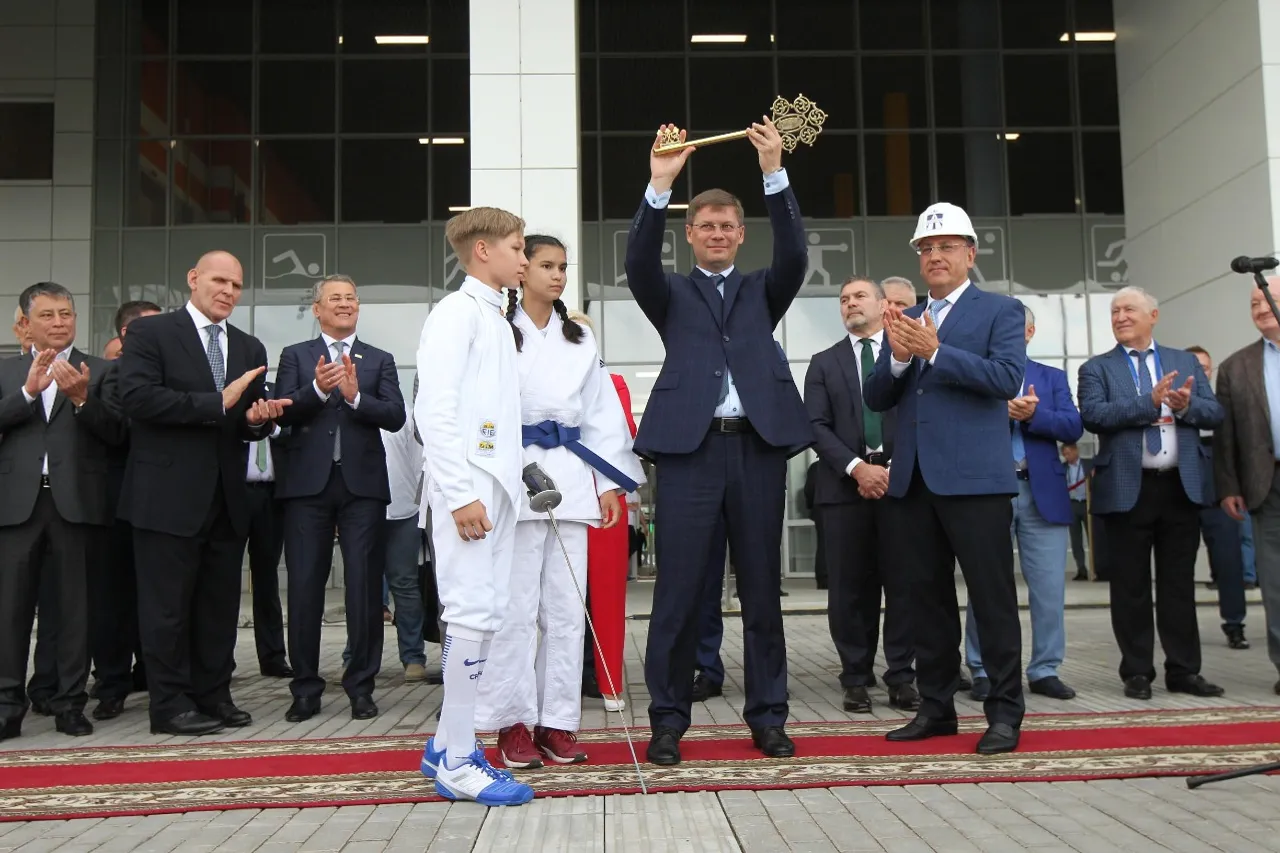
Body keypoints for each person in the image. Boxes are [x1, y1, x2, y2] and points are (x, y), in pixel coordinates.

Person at [625, 119, 812, 766]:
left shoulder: (765, 289)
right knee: (677, 592)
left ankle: (769, 717)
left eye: (727, 226)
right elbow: (637, 262)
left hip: (756, 449)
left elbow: (795, 254)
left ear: (740, 233)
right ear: (691, 233)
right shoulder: (671, 294)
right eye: (705, 225)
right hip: (689, 453)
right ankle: (667, 720)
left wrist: (773, 171)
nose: (717, 233)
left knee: (761, 591)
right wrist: (660, 183)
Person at [864, 201, 1026, 756]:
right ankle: (936, 708)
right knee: (926, 602)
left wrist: (935, 353)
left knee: (992, 600)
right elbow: (876, 397)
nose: (935, 255)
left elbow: (1006, 379)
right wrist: (899, 359)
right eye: (926, 248)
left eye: (946, 247)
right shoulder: (905, 317)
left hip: (976, 482)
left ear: (970, 254)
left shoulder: (1000, 310)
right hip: (914, 482)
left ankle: (1004, 713)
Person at [476, 235, 642, 769]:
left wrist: (607, 484)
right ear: (521, 270)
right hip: (514, 474)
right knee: (517, 610)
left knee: (568, 611)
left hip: (570, 474)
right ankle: (512, 722)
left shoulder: (579, 339)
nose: (557, 275)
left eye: (563, 267)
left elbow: (601, 414)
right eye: (546, 265)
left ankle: (557, 721)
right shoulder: (497, 331)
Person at [117, 250, 286, 736]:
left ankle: (214, 695)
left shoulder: (249, 347)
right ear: (193, 279)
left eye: (236, 284)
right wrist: (217, 401)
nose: (228, 291)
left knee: (218, 608)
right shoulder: (151, 333)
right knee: (167, 610)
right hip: (165, 497)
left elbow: (244, 420)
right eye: (219, 281)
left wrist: (256, 420)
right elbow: (137, 398)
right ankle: (170, 705)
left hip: (227, 498)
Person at [415, 207, 535, 806]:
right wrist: (460, 493)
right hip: (468, 489)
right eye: (517, 247)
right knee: (469, 612)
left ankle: (445, 744)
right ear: (483, 250)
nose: (525, 259)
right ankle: (460, 761)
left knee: (487, 613)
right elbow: (433, 410)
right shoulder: (455, 313)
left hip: (498, 487)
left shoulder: (495, 317)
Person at [1077, 286, 1224, 700]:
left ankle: (1184, 670)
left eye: (1129, 309)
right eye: (1115, 311)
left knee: (1179, 585)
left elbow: (1214, 412)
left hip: (1180, 486)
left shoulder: (1184, 361)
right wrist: (1150, 402)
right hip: (1127, 488)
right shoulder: (1096, 368)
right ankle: (1137, 672)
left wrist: (1184, 406)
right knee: (1130, 586)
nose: (1120, 316)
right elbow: (1094, 415)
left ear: (1153, 316)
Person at [273, 274, 405, 723]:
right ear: (317, 309)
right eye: (335, 298)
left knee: (364, 590)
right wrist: (316, 390)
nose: (345, 304)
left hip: (361, 488)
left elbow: (395, 416)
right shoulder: (296, 355)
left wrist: (354, 397)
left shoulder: (379, 359)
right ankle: (305, 689)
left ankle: (361, 687)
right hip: (306, 487)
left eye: (351, 297)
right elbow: (282, 412)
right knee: (304, 588)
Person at [0, 282, 125, 740]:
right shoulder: (7, 371)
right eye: (47, 315)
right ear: (26, 323)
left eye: (65, 314)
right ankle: (7, 706)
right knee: (10, 611)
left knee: (76, 611)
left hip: (78, 504)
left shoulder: (102, 371)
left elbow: (119, 434)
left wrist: (82, 399)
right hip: (18, 506)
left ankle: (70, 704)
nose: (58, 323)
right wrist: (27, 393)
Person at [804, 276, 917, 714]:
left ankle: (901, 677)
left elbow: (919, 415)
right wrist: (858, 468)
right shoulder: (823, 363)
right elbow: (815, 426)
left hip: (901, 486)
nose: (850, 303)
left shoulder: (906, 353)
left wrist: (892, 468)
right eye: (843, 299)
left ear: (883, 304)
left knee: (904, 585)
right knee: (849, 591)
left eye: (859, 296)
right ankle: (855, 677)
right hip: (843, 489)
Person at [965, 305, 1082, 702]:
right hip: (990, 491)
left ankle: (1045, 669)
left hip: (1041, 493)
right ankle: (982, 669)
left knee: (1049, 589)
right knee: (986, 586)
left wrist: (1035, 415)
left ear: (1030, 332)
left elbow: (1072, 426)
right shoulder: (979, 375)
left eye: (1017, 329)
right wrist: (1001, 412)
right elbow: (962, 426)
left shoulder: (1051, 377)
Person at [92, 300, 162, 721]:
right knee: (114, 599)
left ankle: (157, 679)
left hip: (164, 501)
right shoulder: (109, 376)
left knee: (160, 598)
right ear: (125, 335)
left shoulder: (171, 374)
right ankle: (111, 685)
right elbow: (115, 432)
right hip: (117, 502)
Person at [1215, 278, 1280, 689]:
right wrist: (1228, 486)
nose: (1260, 308)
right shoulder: (1235, 366)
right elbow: (1226, 439)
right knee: (1274, 582)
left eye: (1267, 299)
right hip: (1266, 484)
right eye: (1253, 302)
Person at [571, 309, 635, 714]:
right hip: (557, 494)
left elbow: (624, 434)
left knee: (607, 595)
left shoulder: (613, 383)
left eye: (583, 336)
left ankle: (610, 683)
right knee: (557, 596)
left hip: (604, 495)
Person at [1185, 345, 1248, 650]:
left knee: (1229, 564)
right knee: (1178, 569)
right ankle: (1183, 633)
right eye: (1195, 366)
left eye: (1206, 367)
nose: (1202, 372)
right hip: (1182, 497)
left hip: (1219, 497)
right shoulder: (1173, 403)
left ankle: (1235, 625)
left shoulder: (1223, 403)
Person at [238, 382, 293, 680]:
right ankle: (220, 660)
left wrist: (271, 426)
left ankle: (272, 657)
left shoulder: (276, 395)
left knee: (267, 578)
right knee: (223, 579)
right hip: (236, 494)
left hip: (271, 497)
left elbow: (292, 433)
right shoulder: (232, 396)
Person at [1062, 443, 1091, 580]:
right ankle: (1081, 569)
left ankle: (1097, 567)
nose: (1067, 456)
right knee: (1076, 539)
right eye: (1065, 454)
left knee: (1092, 538)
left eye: (1069, 453)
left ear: (1076, 451)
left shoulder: (1088, 464)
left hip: (1087, 504)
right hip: (1072, 504)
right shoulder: (1063, 468)